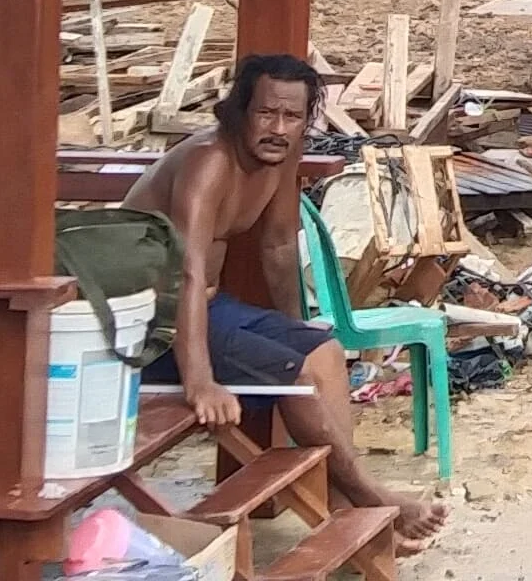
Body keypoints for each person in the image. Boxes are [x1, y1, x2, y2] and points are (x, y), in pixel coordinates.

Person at [124, 54, 449, 553]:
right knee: (294, 375)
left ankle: (345, 508)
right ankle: (369, 496)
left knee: (322, 354)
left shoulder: (282, 156)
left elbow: (277, 246)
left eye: (292, 117)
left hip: (208, 307)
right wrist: (201, 382)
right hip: (152, 321)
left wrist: (295, 329)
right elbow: (187, 272)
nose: (278, 128)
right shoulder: (209, 161)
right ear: (238, 111)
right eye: (265, 114)